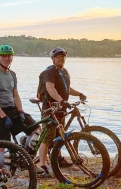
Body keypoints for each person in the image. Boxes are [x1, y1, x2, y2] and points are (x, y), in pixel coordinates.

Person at [0, 44, 40, 189]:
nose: (7, 58)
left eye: (9, 55)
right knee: (1, 146)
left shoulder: (12, 74)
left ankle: (23, 156)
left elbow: (15, 95)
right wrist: (3, 117)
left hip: (12, 108)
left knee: (36, 129)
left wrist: (21, 111)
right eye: (4, 56)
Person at [35, 47, 87, 177]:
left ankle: (58, 158)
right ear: (53, 59)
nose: (61, 59)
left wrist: (79, 94)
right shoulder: (50, 72)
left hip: (60, 108)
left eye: (63, 57)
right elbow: (50, 88)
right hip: (50, 108)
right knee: (47, 137)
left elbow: (67, 88)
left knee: (59, 133)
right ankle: (41, 164)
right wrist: (61, 100)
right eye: (58, 57)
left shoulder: (64, 72)